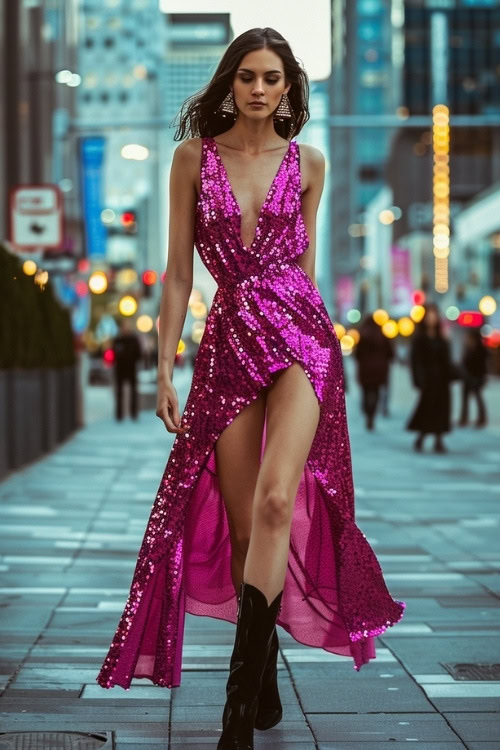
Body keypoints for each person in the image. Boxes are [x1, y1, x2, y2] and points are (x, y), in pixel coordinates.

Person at [96, 28, 406, 748]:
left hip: (300, 336)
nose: (259, 89)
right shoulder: (190, 159)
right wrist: (164, 365)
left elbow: (304, 264)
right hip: (228, 339)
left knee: (275, 500)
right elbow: (178, 274)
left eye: (272, 78)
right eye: (246, 77)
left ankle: (237, 711)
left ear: (290, 88)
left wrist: (329, 345)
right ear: (228, 85)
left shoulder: (311, 164)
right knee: (241, 529)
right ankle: (261, 671)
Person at [407, 302, 454, 453]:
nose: (432, 318)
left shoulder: (442, 337)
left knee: (441, 409)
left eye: (434, 315)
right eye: (429, 315)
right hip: (428, 380)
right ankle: (421, 436)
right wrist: (418, 379)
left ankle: (439, 439)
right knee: (427, 409)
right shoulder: (420, 338)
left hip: (441, 380)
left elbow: (447, 360)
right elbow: (415, 361)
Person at [354, 315, 394, 430]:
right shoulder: (382, 336)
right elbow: (390, 353)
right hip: (379, 370)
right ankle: (372, 414)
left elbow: (358, 355)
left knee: (366, 392)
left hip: (365, 371)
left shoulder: (363, 336)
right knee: (376, 392)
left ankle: (368, 413)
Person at [112, 319, 142, 421]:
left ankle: (134, 413)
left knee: (133, 392)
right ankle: (119, 414)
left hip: (131, 369)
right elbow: (113, 354)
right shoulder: (117, 340)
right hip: (120, 369)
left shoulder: (134, 340)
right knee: (119, 393)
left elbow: (139, 354)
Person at [458, 328, 488, 428]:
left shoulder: (481, 349)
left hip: (477, 378)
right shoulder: (468, 348)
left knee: (478, 398)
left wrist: (481, 378)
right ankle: (464, 418)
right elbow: (464, 363)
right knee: (465, 399)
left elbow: (483, 365)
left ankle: (482, 418)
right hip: (467, 378)